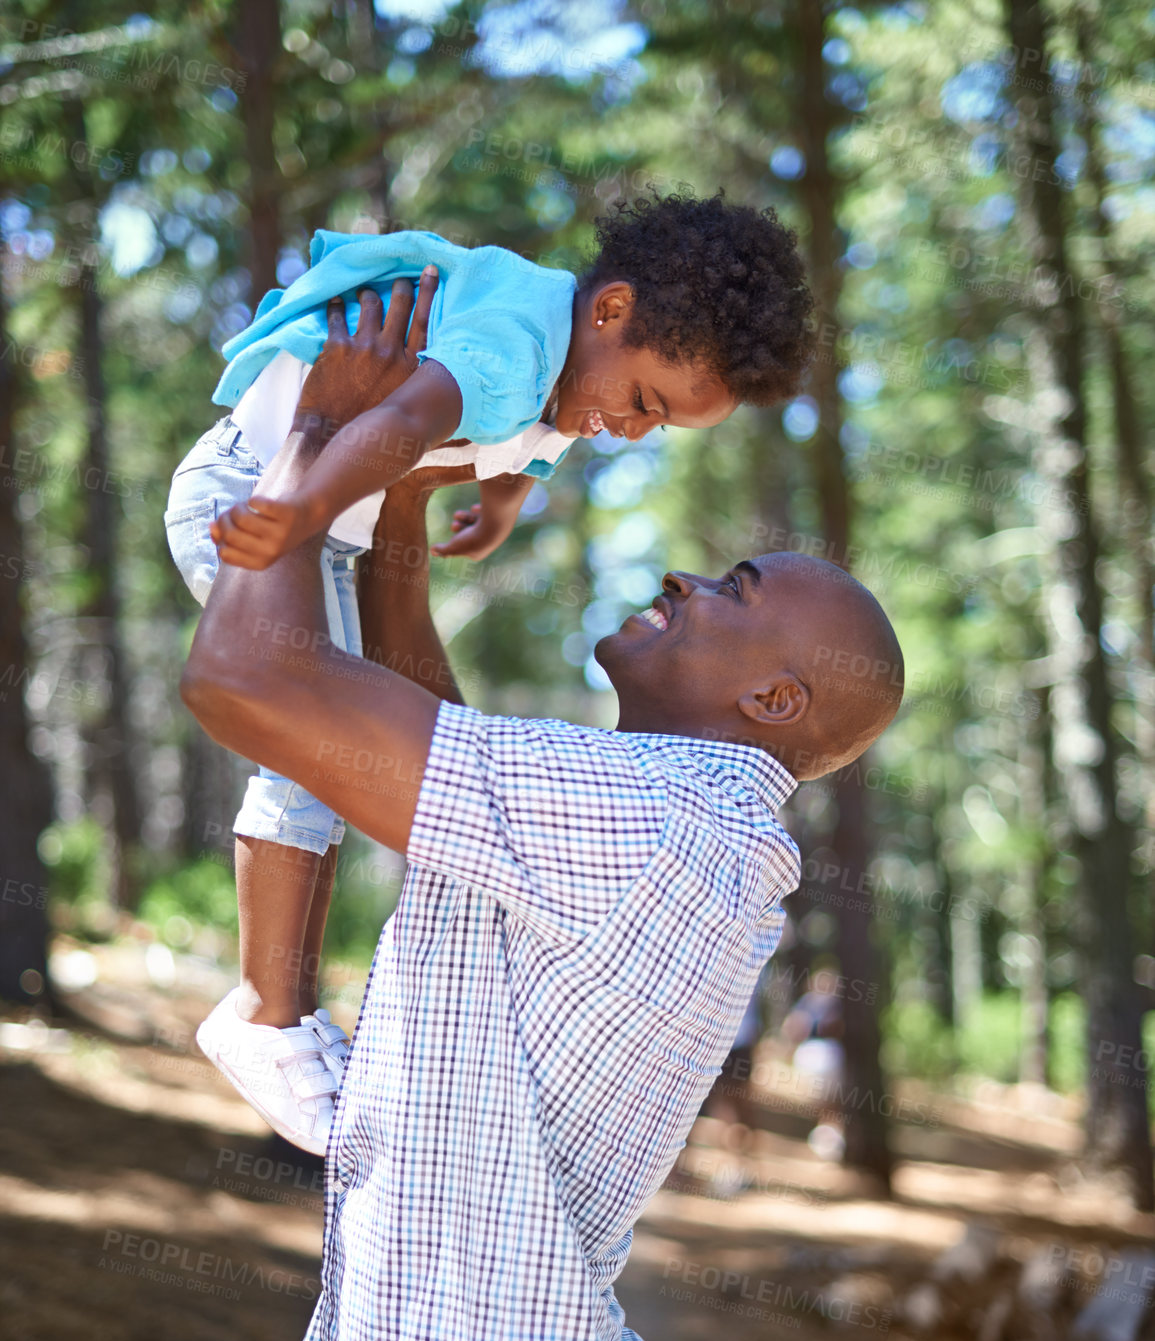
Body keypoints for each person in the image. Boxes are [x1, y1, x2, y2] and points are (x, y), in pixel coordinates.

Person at [180, 281, 904, 1341]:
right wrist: (391, 517)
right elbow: (418, 730)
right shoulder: (663, 817)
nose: (691, 578)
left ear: (771, 701)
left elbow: (250, 675)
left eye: (736, 590)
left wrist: (313, 438)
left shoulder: (654, 816)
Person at [165, 193, 814, 1153]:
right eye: (643, 401)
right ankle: (265, 1011)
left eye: (660, 427)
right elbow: (412, 420)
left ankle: (281, 1010)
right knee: (303, 756)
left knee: (331, 751)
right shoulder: (515, 339)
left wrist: (500, 502)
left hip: (323, 525)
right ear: (610, 311)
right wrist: (300, 505)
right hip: (252, 494)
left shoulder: (561, 368)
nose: (632, 432)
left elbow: (522, 443)